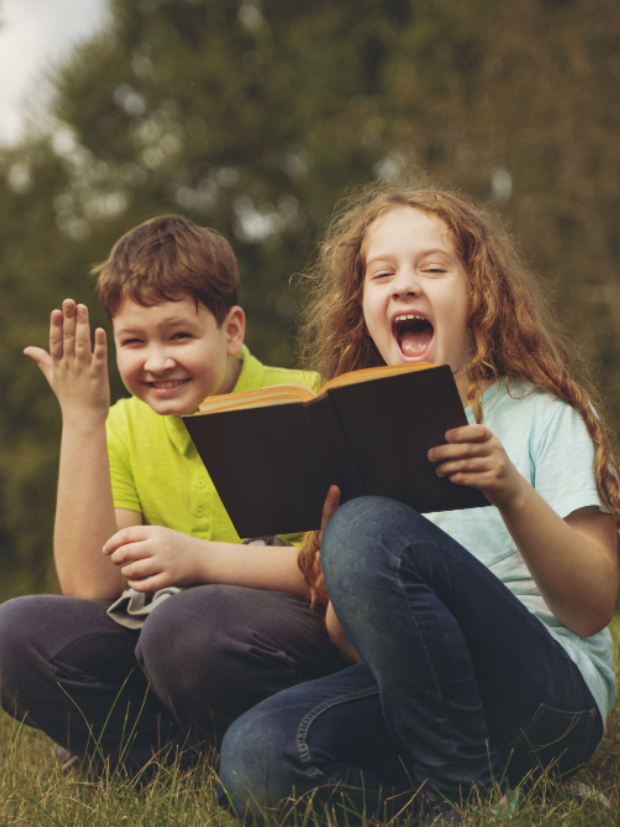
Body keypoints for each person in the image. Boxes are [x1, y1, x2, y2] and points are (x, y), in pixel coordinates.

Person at [218, 184, 620, 824]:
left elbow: (595, 607)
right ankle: (458, 807)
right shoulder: (356, 441)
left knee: (366, 526)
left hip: (549, 698)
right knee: (256, 756)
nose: (405, 285)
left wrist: (510, 489)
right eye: (383, 274)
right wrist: (338, 569)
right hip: (425, 704)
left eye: (432, 268)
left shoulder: (546, 415)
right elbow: (352, 647)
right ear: (362, 305)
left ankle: (463, 795)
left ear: (479, 294)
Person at [0, 215, 345, 774]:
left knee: (185, 628)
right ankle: (166, 758)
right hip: (162, 639)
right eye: (134, 342)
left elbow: (349, 570)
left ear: (231, 330)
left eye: (179, 335)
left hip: (277, 644)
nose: (156, 362)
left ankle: (240, 749)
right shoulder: (122, 426)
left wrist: (200, 561)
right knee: (14, 633)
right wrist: (83, 419)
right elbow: (92, 586)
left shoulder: (304, 400)